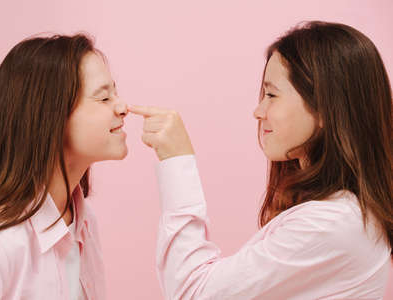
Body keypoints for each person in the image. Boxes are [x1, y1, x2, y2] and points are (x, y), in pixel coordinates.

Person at [129, 21, 392, 299]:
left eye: (272, 95)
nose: (258, 111)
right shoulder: (342, 216)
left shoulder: (332, 224)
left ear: (325, 108)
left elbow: (194, 292)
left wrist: (177, 160)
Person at [0, 34, 128, 299]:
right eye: (103, 98)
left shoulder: (84, 224)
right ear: (51, 116)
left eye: (116, 93)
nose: (122, 108)